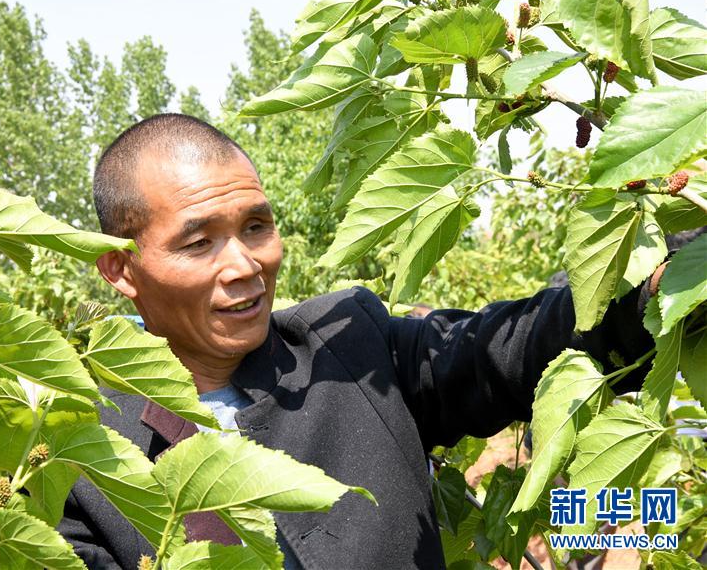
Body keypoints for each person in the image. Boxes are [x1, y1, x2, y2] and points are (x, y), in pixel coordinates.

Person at [57, 113, 655, 569]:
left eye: (256, 226)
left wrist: (656, 286)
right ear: (122, 269)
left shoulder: (349, 348)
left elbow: (502, 348)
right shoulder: (82, 460)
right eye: (198, 243)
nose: (245, 265)